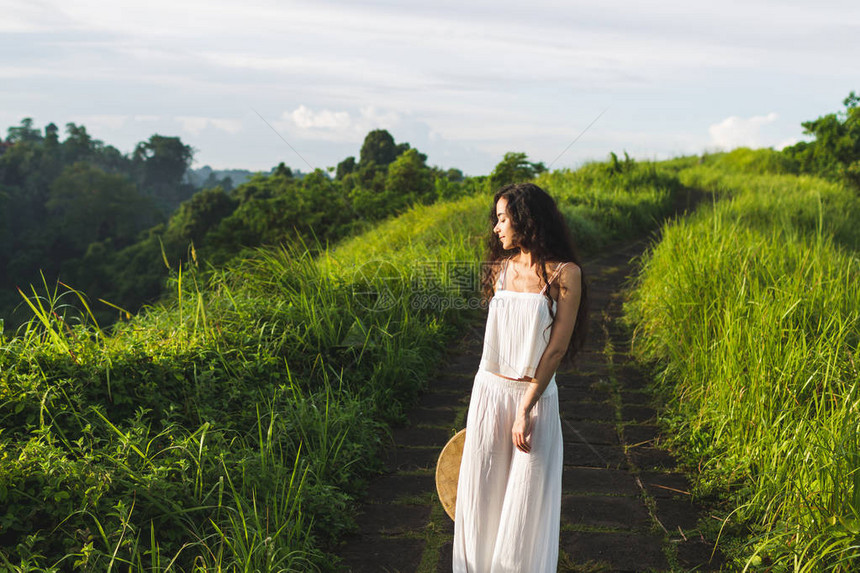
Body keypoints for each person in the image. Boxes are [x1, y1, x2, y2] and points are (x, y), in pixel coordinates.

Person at [453, 182, 587, 572]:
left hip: (534, 399)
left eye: (502, 218)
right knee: (482, 496)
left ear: (526, 221)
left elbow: (557, 349)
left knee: (525, 505)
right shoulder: (499, 270)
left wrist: (525, 408)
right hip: (489, 394)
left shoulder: (566, 274)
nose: (496, 228)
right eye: (497, 220)